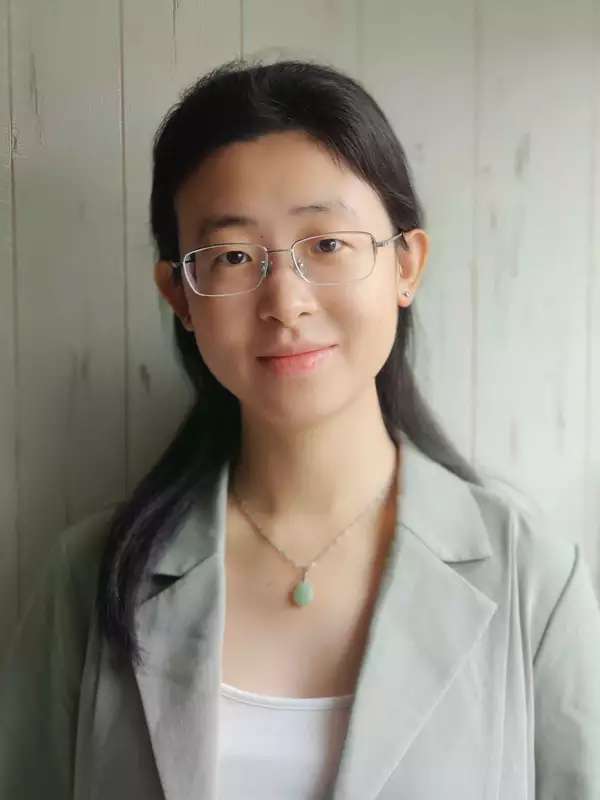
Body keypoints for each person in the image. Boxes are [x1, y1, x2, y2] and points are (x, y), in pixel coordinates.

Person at [1, 57, 599, 800]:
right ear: (178, 297)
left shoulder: (533, 581)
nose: (285, 301)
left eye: (327, 245)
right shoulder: (88, 580)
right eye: (231, 256)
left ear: (406, 264)